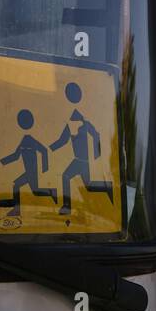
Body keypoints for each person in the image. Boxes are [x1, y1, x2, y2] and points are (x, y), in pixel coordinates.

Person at [49, 82, 114, 216]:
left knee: (68, 177)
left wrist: (96, 153)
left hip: (82, 161)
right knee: (88, 185)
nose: (73, 116)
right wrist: (51, 148)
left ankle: (67, 206)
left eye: (75, 115)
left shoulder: (84, 123)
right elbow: (63, 140)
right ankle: (107, 187)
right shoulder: (71, 124)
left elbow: (96, 134)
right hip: (78, 160)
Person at [0, 109, 58, 215]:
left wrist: (45, 167)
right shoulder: (24, 141)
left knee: (18, 186)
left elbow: (44, 150)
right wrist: (3, 161)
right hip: (29, 171)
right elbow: (16, 156)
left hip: (32, 172)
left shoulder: (30, 140)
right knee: (34, 191)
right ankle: (51, 192)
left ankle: (17, 209)